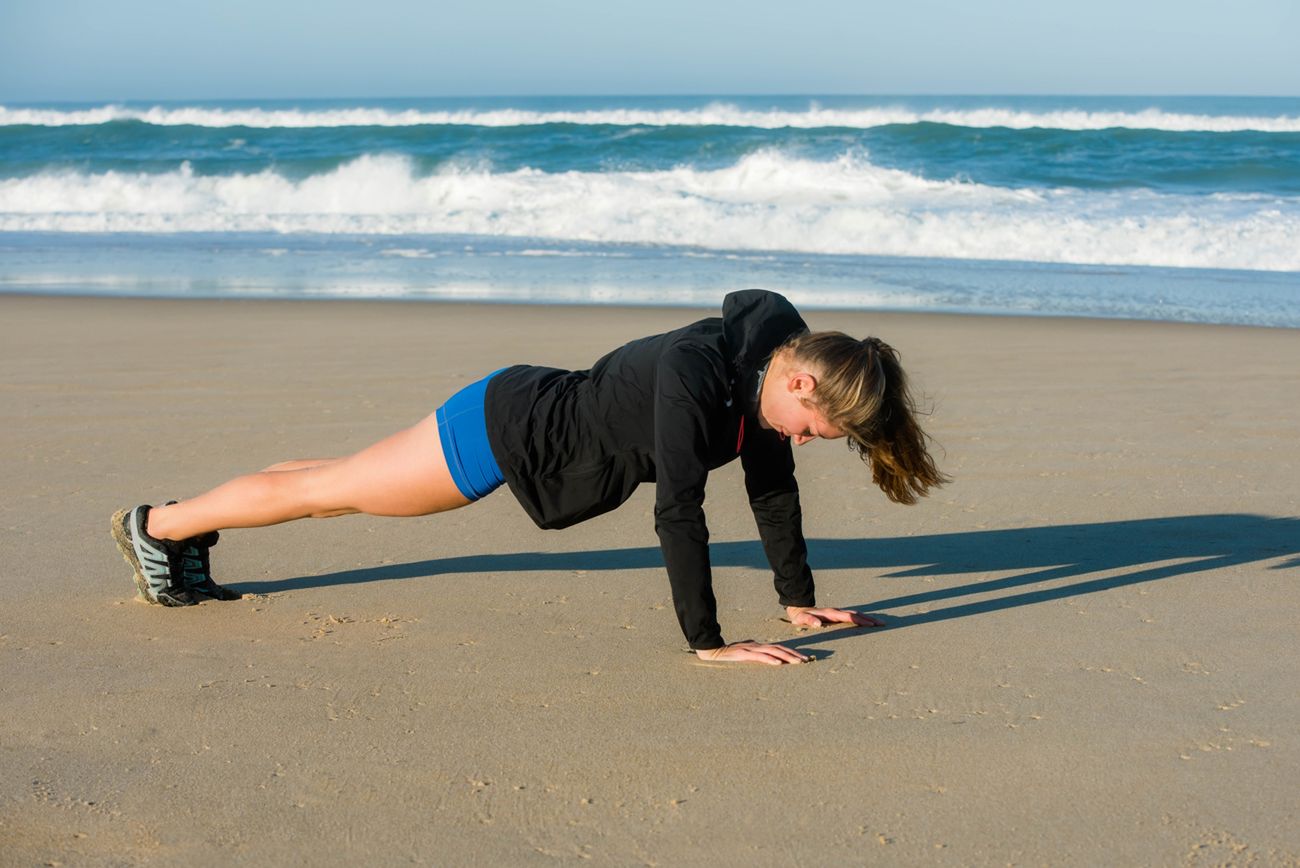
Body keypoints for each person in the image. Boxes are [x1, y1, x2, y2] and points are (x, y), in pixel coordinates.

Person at [111, 289, 948, 665]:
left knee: (333, 484)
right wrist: (709, 643)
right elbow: (680, 511)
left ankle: (185, 528)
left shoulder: (755, 380)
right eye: (818, 427)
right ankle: (158, 528)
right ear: (799, 382)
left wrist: (796, 597)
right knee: (328, 494)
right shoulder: (702, 375)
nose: (808, 441)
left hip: (523, 408)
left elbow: (772, 491)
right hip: (506, 433)